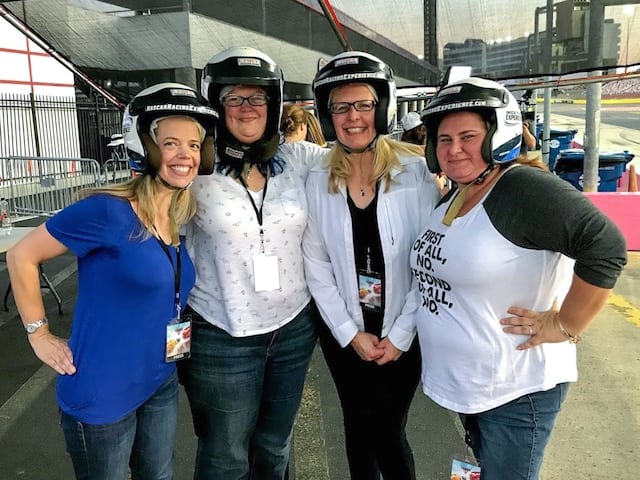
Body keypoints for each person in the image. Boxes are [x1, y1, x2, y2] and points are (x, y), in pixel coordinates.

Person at [411, 77, 627, 480]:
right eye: (444, 139)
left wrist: (566, 324)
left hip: (515, 390)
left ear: (499, 135)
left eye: (468, 136)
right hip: (475, 388)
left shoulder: (521, 188)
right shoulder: (460, 191)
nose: (454, 149)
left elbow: (606, 245)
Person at [6, 82, 218, 479]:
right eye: (171, 143)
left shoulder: (175, 214)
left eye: (193, 145)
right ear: (146, 147)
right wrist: (39, 334)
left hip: (159, 380)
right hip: (102, 393)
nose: (185, 155)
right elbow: (22, 255)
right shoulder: (106, 211)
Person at [178, 47, 318, 480]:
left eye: (256, 97)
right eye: (234, 98)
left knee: (275, 447)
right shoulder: (195, 167)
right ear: (216, 104)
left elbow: (361, 159)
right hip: (222, 333)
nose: (246, 108)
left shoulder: (296, 160)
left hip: (293, 328)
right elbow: (144, 208)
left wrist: (437, 168)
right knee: (226, 456)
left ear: (273, 104)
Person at [303, 51, 441, 480]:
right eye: (340, 107)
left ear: (381, 109)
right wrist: (350, 334)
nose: (352, 116)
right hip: (345, 332)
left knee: (386, 427)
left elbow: (430, 261)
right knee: (355, 423)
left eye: (363, 104)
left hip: (406, 330)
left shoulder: (415, 172)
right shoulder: (317, 177)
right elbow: (315, 262)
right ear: (328, 117)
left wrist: (399, 334)